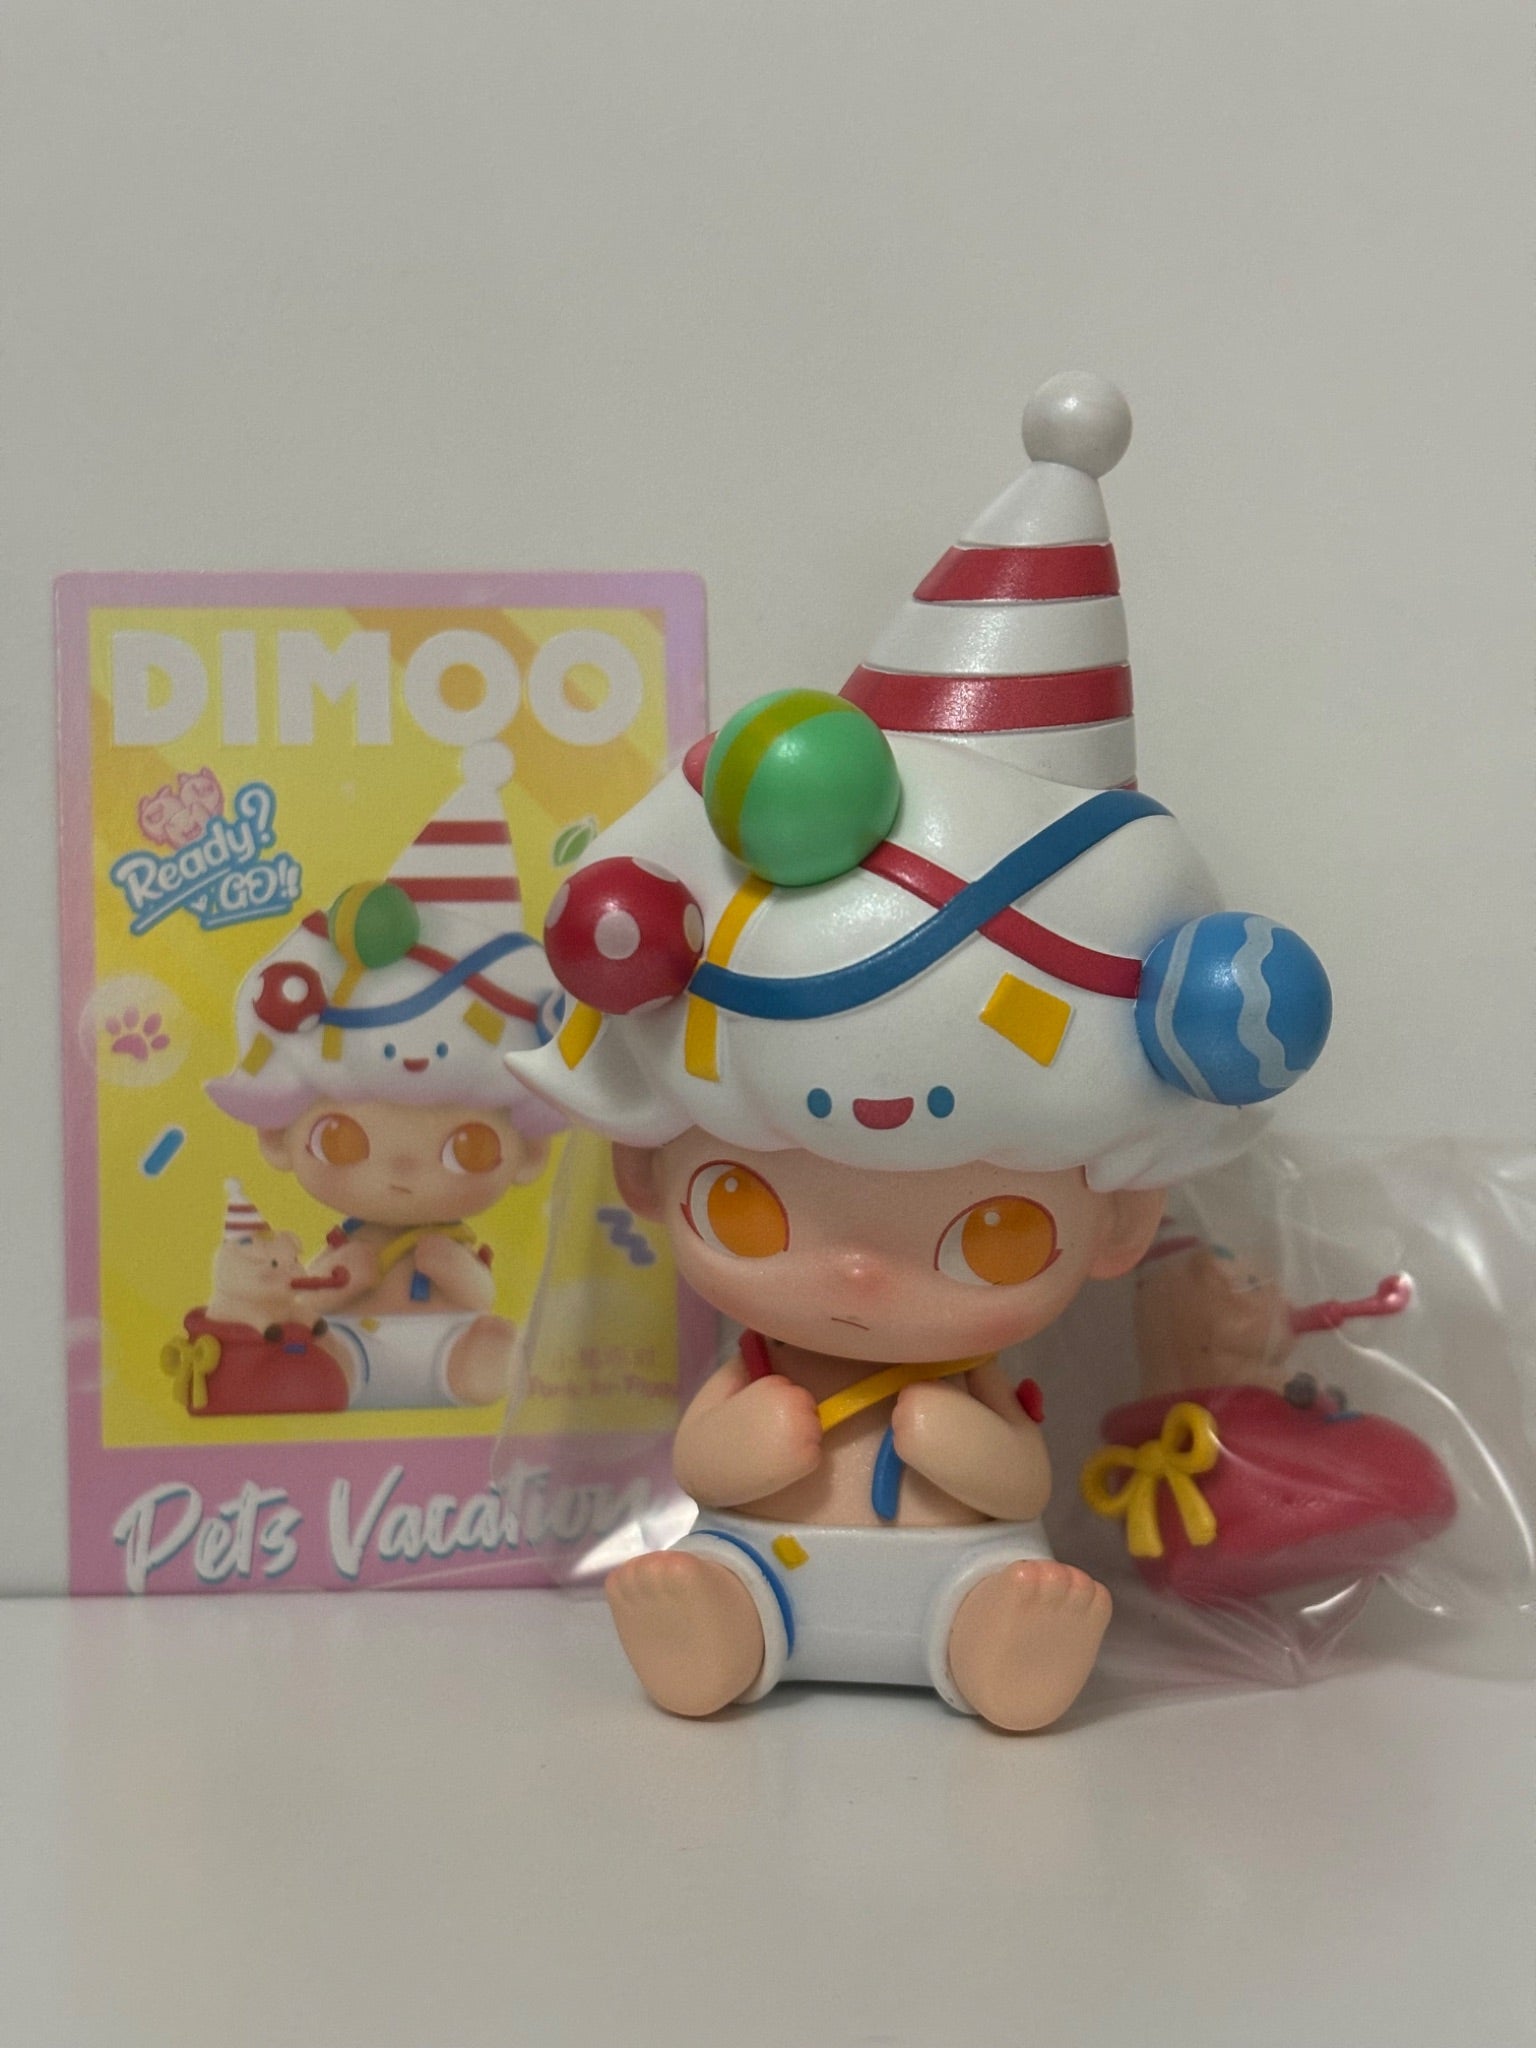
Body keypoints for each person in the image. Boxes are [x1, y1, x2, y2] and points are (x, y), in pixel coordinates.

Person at [508, 374, 1331, 1727]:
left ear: (1118, 1223)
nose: (853, 1273)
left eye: (991, 1234)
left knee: (1004, 1579)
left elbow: (1018, 1480)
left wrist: (967, 1443)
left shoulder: (977, 1384)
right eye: (748, 1202)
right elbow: (712, 1461)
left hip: (958, 1560)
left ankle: (991, 1645)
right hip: (765, 1554)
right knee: (723, 1569)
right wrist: (742, 1441)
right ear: (644, 1175)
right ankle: (724, 1633)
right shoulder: (756, 1374)